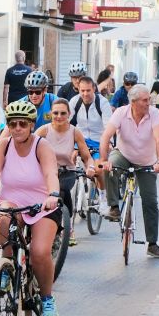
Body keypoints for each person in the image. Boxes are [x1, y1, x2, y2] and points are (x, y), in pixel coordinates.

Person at [0, 98, 62, 316]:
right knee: (2, 221)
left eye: (22, 123)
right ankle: (7, 269)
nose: (17, 128)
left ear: (31, 124)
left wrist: (52, 195)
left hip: (42, 204)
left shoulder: (42, 146)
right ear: (8, 126)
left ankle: (47, 299)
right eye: (12, 124)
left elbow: (51, 173)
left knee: (40, 252)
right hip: (12, 200)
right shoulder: (3, 145)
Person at [98, 84, 159, 258]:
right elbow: (106, 136)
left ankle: (152, 244)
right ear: (133, 102)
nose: (148, 103)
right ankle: (114, 207)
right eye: (145, 100)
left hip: (146, 161)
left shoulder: (154, 114)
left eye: (149, 100)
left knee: (150, 202)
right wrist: (104, 160)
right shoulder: (121, 112)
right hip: (124, 154)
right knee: (111, 167)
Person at [36, 98, 96, 241]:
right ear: (50, 114)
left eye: (63, 113)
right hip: (46, 171)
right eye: (55, 113)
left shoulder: (75, 132)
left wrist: (91, 167)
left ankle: (66, 224)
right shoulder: (43, 130)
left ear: (69, 114)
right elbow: (27, 147)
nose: (59, 116)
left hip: (66, 171)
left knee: (60, 191)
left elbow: (87, 157)